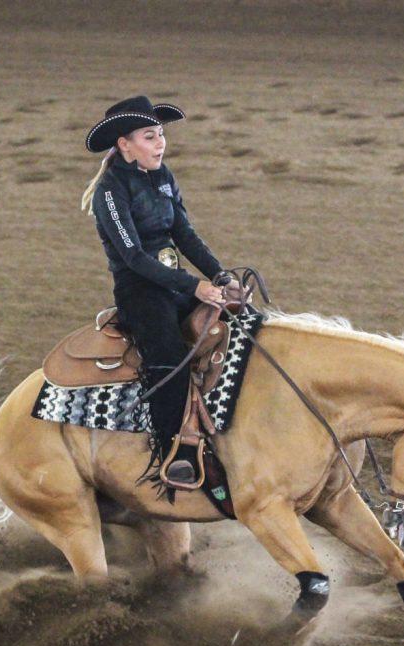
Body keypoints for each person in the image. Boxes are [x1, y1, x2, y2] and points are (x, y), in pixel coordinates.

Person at [81, 95, 228, 489]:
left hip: (175, 283)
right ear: (124, 144)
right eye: (150, 136)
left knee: (235, 329)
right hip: (141, 293)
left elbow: (185, 235)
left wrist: (221, 276)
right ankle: (174, 454)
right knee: (169, 360)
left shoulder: (163, 177)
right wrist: (195, 286)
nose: (160, 143)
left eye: (161, 134)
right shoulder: (110, 192)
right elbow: (131, 256)